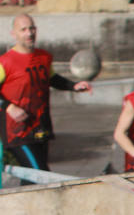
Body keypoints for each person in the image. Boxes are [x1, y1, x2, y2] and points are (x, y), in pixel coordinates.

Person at [0, 14, 93, 171]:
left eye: (32, 28)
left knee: (32, 179)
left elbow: (52, 78)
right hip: (17, 131)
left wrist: (74, 86)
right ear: (13, 34)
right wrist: (9, 107)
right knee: (40, 174)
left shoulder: (43, 57)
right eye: (23, 30)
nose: (29, 33)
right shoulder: (5, 62)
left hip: (41, 126)